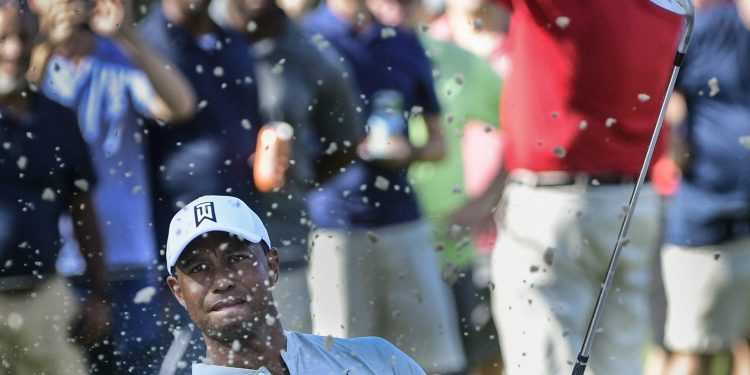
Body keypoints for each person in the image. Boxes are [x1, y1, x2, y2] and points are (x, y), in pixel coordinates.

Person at [455, 1, 683, 374]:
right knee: (618, 362)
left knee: (542, 362)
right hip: (633, 201)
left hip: (558, 206)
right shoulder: (666, 8)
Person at [28, 0, 197, 371]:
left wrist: (127, 35)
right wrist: (44, 45)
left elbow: (180, 105)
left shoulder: (115, 56)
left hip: (129, 258)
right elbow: (20, 116)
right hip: (58, 264)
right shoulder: (27, 58)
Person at [302, 0, 467, 373]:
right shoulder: (307, 38)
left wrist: (407, 152)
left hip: (403, 222)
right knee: (338, 365)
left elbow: (439, 144)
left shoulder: (401, 40)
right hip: (332, 227)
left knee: (431, 362)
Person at [209, 0, 362, 334]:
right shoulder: (199, 35)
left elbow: (347, 143)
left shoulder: (311, 54)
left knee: (282, 353)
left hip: (279, 238)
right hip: (199, 241)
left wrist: (300, 176)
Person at [163, 195, 426, 374]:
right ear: (178, 292)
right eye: (199, 268)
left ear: (272, 266)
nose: (221, 281)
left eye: (236, 258)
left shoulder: (376, 361)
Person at [0, 1, 110, 372]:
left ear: (37, 40)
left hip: (45, 296)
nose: (13, 48)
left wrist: (99, 294)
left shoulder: (57, 118)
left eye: (22, 37)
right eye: (2, 38)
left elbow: (84, 210)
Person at [660, 1, 750, 374]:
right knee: (694, 346)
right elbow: (659, 89)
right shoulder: (707, 29)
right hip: (706, 213)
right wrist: (675, 140)